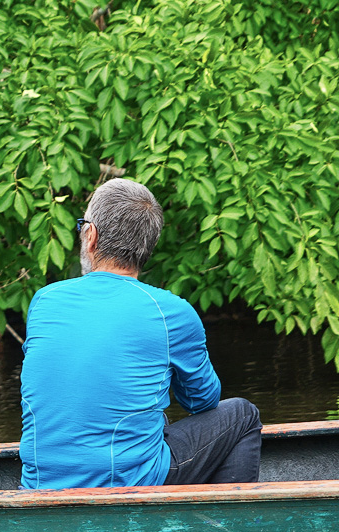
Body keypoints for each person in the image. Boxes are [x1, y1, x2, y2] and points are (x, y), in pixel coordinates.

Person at [19, 178, 261, 489]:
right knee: (242, 414)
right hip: (128, 485)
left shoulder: (44, 300)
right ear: (147, 246)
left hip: (39, 487)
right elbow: (203, 401)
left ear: (89, 235)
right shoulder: (171, 311)